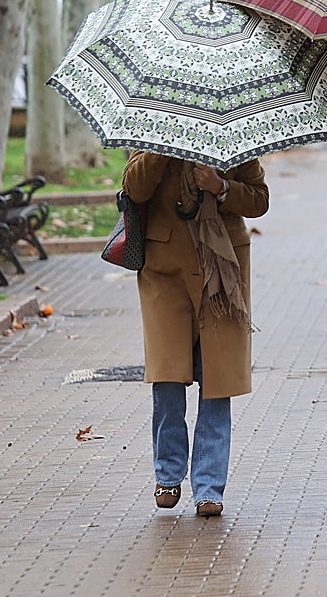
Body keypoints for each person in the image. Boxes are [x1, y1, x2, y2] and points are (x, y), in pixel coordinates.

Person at [122, 152, 269, 518]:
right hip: (164, 271)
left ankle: (208, 487)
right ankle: (168, 474)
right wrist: (161, 150)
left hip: (222, 271)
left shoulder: (236, 137)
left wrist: (221, 187)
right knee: (168, 377)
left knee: (217, 379)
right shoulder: (152, 129)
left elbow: (259, 199)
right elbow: (133, 189)